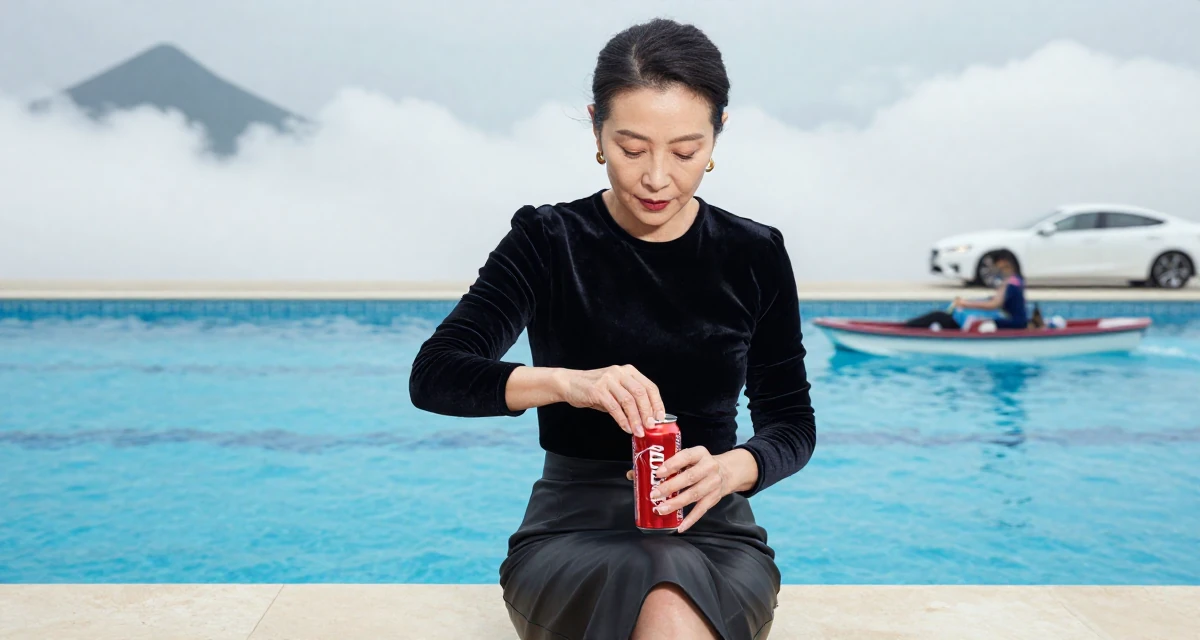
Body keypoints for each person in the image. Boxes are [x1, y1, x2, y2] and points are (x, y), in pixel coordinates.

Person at [408, 19, 814, 640]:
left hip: (712, 529)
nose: (656, 177)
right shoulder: (547, 241)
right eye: (631, 148)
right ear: (597, 128)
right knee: (660, 597)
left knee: (673, 581)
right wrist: (567, 384)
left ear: (717, 136)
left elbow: (791, 424)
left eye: (684, 152)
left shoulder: (754, 253)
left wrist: (733, 469)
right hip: (572, 527)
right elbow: (434, 375)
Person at [905, 255, 1028, 330]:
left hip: (1015, 323)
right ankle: (908, 326)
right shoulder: (1014, 280)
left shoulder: (1011, 283)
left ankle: (907, 327)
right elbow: (994, 301)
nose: (995, 269)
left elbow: (994, 304)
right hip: (1015, 321)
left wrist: (965, 304)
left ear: (1005, 264)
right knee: (941, 316)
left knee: (974, 323)